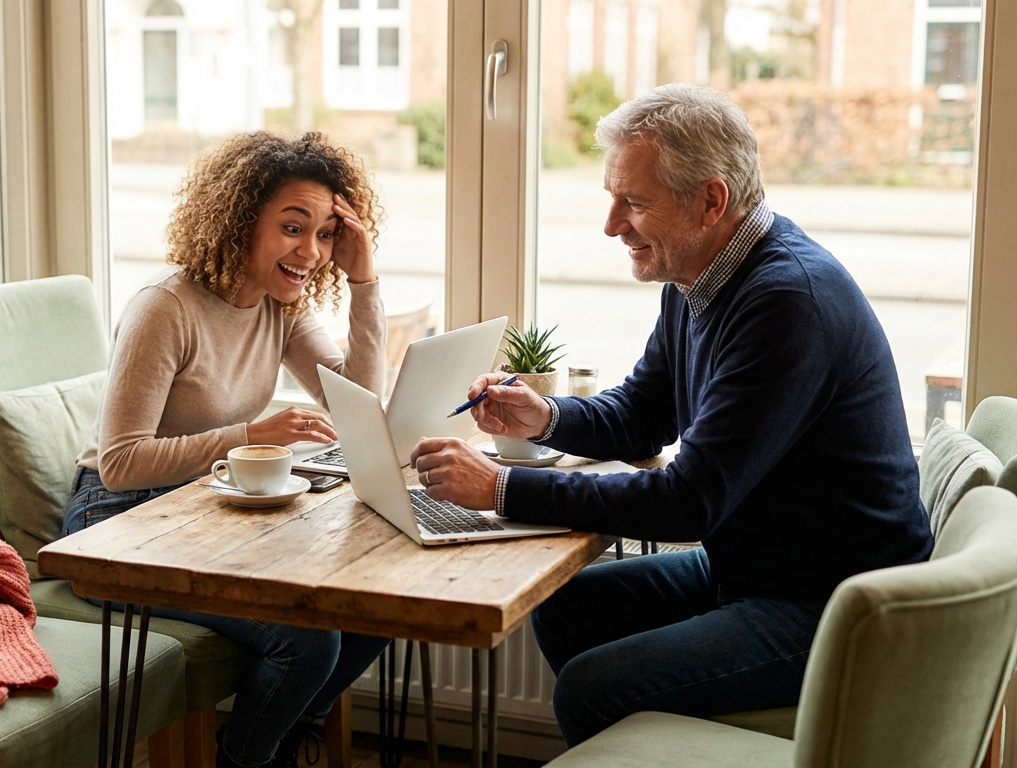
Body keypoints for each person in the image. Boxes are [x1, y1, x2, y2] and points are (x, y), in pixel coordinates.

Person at [409, 84, 933, 746]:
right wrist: (543, 416)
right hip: (758, 571)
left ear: (711, 200)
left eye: (634, 202)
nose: (611, 224)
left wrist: (501, 489)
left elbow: (690, 503)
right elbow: (641, 415)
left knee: (594, 686)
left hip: (836, 606)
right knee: (565, 610)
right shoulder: (699, 275)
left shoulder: (786, 304)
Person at [59, 131, 393, 768]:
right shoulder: (167, 307)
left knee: (380, 602)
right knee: (307, 640)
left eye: (326, 234)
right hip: (114, 520)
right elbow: (121, 462)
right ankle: (249, 758)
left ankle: (284, 739)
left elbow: (359, 402)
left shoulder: (279, 305)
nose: (312, 251)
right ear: (242, 223)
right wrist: (249, 436)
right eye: (294, 228)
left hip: (209, 504)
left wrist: (365, 280)